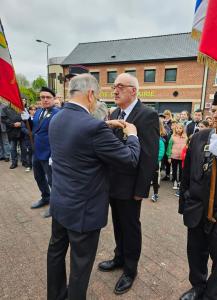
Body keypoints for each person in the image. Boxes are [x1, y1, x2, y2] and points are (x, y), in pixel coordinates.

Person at [47, 74, 140, 300]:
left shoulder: (56, 118)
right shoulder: (93, 128)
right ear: (90, 94)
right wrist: (133, 136)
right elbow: (129, 159)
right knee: (80, 264)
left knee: (56, 254)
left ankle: (56, 295)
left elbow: (78, 140)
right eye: (96, 97)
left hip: (60, 204)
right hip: (83, 211)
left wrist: (103, 124)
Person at [98, 73, 159, 294]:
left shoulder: (148, 115)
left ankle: (130, 270)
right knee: (117, 223)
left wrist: (141, 189)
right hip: (112, 183)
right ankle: (119, 257)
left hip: (131, 186)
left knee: (131, 226)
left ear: (133, 90)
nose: (115, 91)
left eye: (120, 87)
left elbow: (150, 156)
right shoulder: (114, 113)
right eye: (114, 87)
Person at [179, 90, 217, 300]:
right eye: (214, 109)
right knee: (195, 253)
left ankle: (212, 295)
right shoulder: (199, 137)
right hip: (197, 209)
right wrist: (185, 202)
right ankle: (197, 286)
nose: (216, 114)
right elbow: (187, 173)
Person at [30, 87, 59, 218]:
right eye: (43, 97)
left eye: (48, 97)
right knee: (38, 176)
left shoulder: (57, 113)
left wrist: (54, 154)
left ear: (54, 99)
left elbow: (59, 135)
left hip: (49, 153)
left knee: (52, 181)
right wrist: (28, 120)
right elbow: (36, 128)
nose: (45, 100)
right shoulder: (38, 112)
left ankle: (55, 206)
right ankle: (45, 197)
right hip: (36, 150)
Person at [1, 104, 22, 169]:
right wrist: (13, 124)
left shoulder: (21, 108)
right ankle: (14, 162)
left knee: (23, 147)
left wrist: (21, 123)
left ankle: (25, 161)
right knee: (13, 148)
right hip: (11, 131)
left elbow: (26, 118)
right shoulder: (5, 109)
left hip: (22, 130)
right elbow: (4, 119)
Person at [167, 123, 187, 190]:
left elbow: (187, 147)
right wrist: (169, 156)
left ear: (183, 129)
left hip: (182, 157)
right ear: (175, 129)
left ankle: (180, 182)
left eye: (180, 128)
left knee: (181, 170)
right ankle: (175, 181)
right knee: (174, 169)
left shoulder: (186, 137)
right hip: (174, 156)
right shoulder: (172, 137)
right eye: (177, 128)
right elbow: (169, 147)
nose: (178, 130)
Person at [151, 118, 166, 202]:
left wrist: (156, 159)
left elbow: (161, 151)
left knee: (155, 178)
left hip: (155, 162)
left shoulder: (160, 139)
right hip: (147, 161)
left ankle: (155, 193)